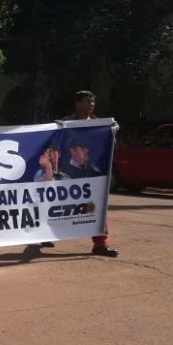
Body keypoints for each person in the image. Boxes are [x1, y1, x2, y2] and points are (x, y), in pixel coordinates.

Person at [56, 90, 119, 258]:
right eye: (86, 101)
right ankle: (42, 235)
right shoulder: (67, 122)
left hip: (91, 175)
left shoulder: (100, 124)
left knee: (97, 206)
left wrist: (112, 130)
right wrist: (54, 128)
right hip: (68, 174)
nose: (91, 104)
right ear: (77, 104)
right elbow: (54, 142)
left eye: (92, 101)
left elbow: (108, 145)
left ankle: (100, 244)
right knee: (58, 206)